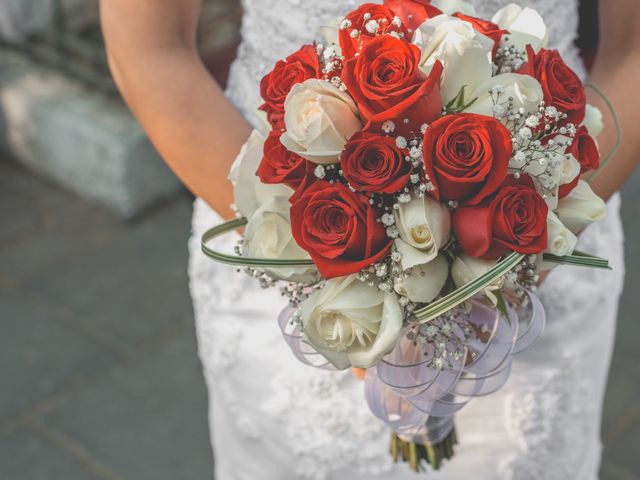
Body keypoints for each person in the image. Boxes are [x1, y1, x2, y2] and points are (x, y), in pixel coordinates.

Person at [100, 1, 639, 478]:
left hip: (537, 262)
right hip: (277, 233)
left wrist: (516, 252)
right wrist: (325, 264)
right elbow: (149, 46)